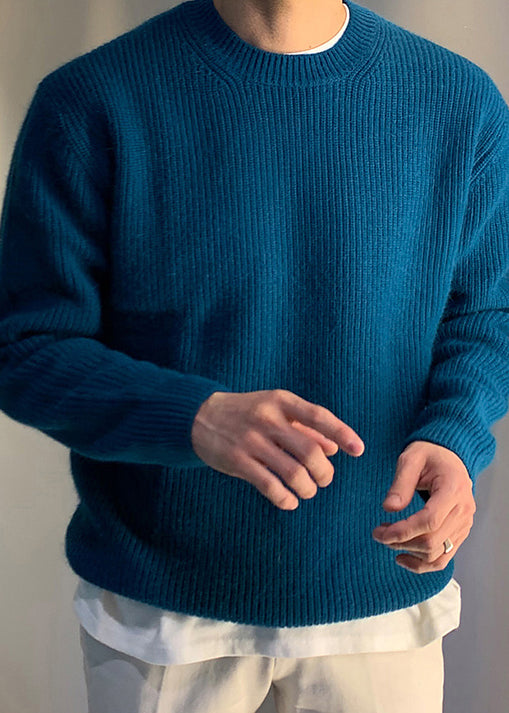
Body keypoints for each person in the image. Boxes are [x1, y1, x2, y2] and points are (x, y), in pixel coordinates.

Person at [0, 0, 508, 710]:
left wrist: (454, 436)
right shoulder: (92, 102)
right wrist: (193, 417)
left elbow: (486, 315)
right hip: (165, 616)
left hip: (381, 596)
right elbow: (26, 346)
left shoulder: (458, 102)